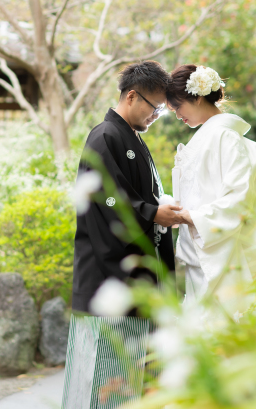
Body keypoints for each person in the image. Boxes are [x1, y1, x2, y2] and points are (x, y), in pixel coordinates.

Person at [71, 60, 183, 313]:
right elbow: (107, 199)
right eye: (155, 108)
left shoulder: (131, 137)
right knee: (109, 351)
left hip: (136, 274)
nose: (155, 117)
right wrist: (153, 213)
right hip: (106, 278)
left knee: (135, 350)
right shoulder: (105, 136)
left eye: (160, 111)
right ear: (132, 96)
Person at [166, 64, 256, 317]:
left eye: (178, 107)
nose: (178, 115)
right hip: (202, 250)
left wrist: (188, 216)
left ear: (197, 97)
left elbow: (238, 199)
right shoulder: (211, 136)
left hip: (221, 252)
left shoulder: (224, 137)